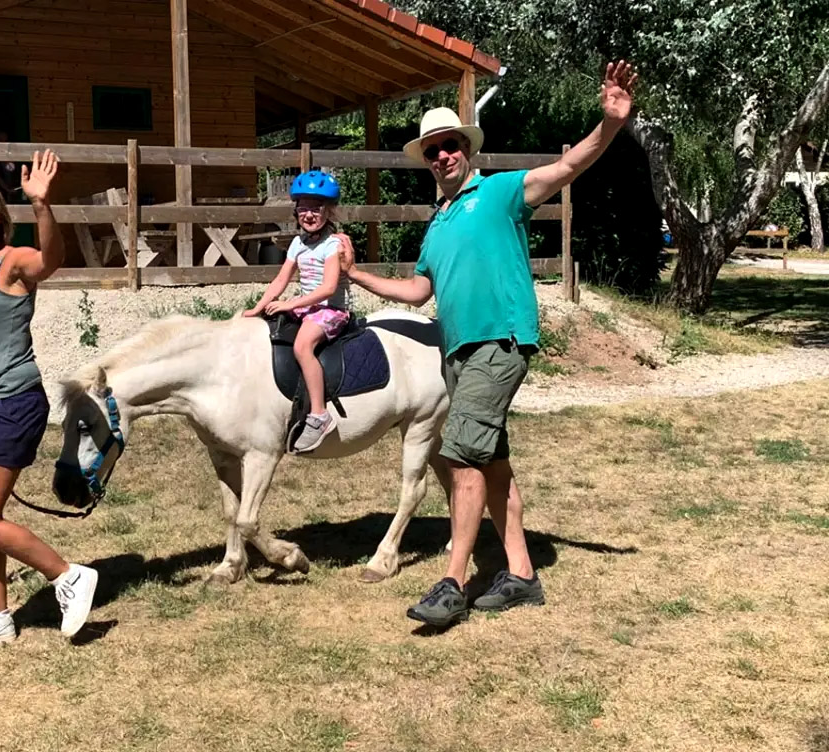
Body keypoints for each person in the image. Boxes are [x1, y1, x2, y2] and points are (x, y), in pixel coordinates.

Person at [340, 61, 638, 627]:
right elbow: (418, 290)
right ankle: (521, 574)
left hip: (499, 342)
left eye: (450, 145)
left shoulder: (500, 192)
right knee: (492, 463)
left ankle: (453, 582)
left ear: (466, 149)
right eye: (433, 150)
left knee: (459, 456)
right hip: (457, 353)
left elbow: (568, 166)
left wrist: (611, 124)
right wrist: (356, 275)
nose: (442, 155)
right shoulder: (438, 223)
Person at [0, 150, 98, 649]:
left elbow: (50, 261)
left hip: (14, 401)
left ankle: (68, 576)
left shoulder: (13, 262)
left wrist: (42, 205)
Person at [244, 170, 353, 453]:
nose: (309, 214)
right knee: (267, 329)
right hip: (306, 307)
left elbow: (328, 288)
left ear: (329, 211)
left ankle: (319, 415)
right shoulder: (297, 243)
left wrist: (291, 304)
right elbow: (281, 280)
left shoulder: (333, 245)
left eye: (316, 208)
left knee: (303, 345)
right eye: (303, 208)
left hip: (330, 310)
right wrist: (257, 308)